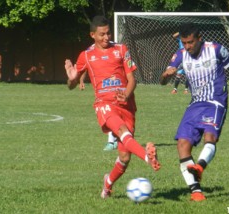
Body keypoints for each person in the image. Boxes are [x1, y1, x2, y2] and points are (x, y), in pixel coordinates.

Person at [64, 15, 160, 199]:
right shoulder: (86, 55)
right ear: (92, 35)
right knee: (123, 132)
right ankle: (148, 158)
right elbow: (71, 84)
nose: (106, 37)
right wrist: (71, 76)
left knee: (124, 158)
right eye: (101, 34)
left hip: (126, 105)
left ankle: (107, 185)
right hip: (104, 104)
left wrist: (127, 93)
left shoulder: (121, 49)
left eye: (108, 33)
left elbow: (133, 79)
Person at [160, 23, 229, 201]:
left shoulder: (216, 50)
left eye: (190, 42)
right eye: (184, 43)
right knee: (182, 144)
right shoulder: (181, 54)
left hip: (215, 101)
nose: (188, 46)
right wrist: (166, 75)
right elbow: (162, 81)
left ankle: (200, 166)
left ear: (199, 38)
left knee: (210, 138)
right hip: (195, 104)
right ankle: (196, 191)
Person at [79, 69, 118, 151]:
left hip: (114, 88)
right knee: (109, 115)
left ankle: (111, 142)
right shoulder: (91, 57)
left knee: (111, 114)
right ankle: (115, 139)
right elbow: (85, 68)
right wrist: (81, 80)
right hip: (101, 92)